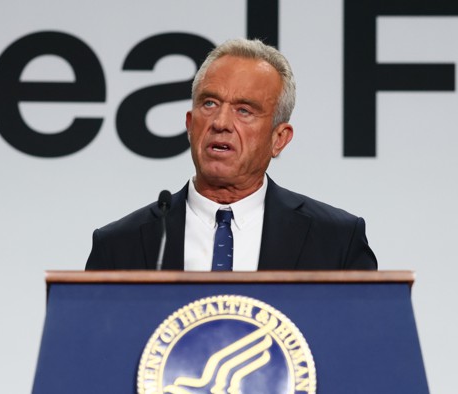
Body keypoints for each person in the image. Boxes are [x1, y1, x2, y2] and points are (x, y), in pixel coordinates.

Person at [85, 38, 376, 271]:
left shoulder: (336, 241)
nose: (220, 122)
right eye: (209, 104)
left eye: (244, 110)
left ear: (279, 139)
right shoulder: (118, 246)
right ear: (190, 124)